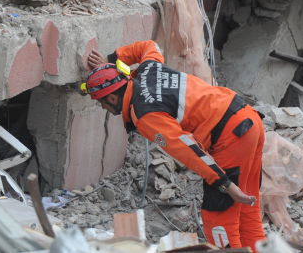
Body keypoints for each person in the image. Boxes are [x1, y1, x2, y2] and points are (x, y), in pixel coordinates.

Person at [83, 40, 266, 250]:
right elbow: (150, 47)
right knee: (247, 212)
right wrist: (112, 59)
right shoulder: (148, 70)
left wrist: (225, 184)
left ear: (113, 97)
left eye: (102, 102)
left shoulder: (145, 116)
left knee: (218, 218)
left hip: (230, 137)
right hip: (248, 119)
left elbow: (186, 149)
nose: (104, 108)